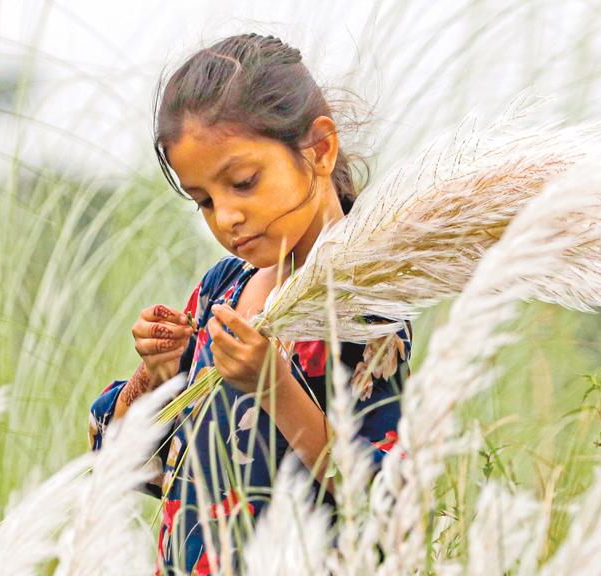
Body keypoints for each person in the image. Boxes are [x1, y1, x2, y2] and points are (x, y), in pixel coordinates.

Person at [87, 32, 412, 576]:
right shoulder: (222, 292)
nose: (226, 216)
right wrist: (157, 378)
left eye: (243, 182)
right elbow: (136, 468)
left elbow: (381, 494)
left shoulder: (363, 304)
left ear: (320, 150)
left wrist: (276, 388)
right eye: (205, 201)